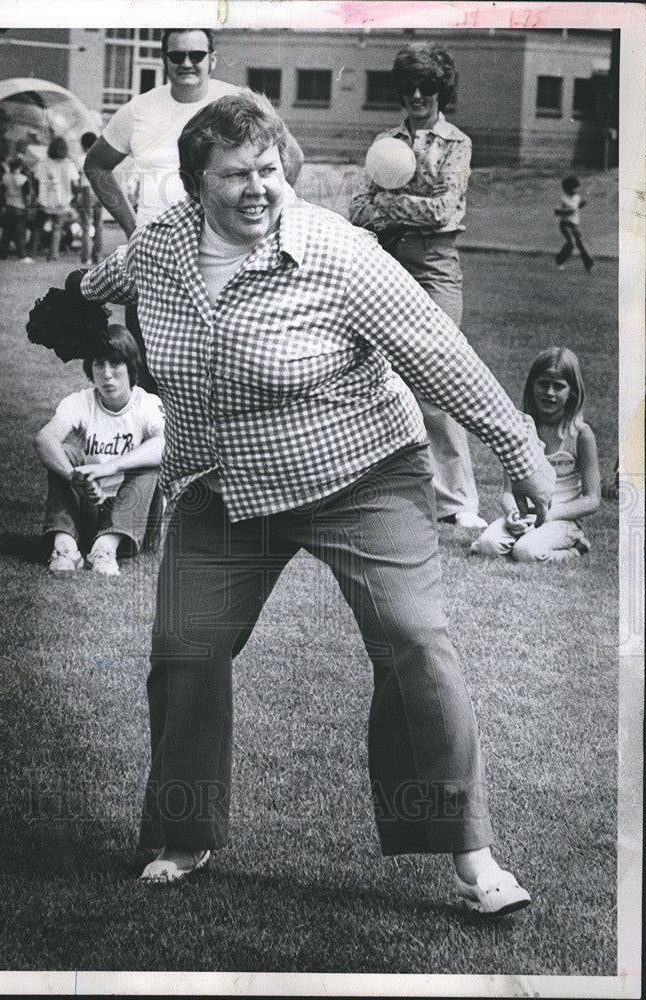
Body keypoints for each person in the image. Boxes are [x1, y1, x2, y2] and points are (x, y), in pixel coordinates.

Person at [73, 92, 555, 912]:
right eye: (236, 176)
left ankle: (469, 852)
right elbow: (104, 277)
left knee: (412, 639)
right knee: (185, 648)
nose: (259, 189)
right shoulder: (160, 249)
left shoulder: (340, 252)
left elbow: (437, 351)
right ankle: (185, 833)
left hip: (359, 471)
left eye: (269, 170)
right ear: (195, 187)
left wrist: (519, 446)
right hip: (224, 482)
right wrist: (79, 288)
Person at [83, 27, 304, 395]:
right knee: (152, 375)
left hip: (225, 259)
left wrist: (258, 218)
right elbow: (97, 166)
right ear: (164, 60)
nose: (187, 63)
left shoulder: (236, 102)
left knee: (231, 374)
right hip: (158, 259)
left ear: (212, 59)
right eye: (177, 55)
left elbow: (291, 158)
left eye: (197, 55)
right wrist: (132, 228)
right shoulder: (139, 109)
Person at [348, 43, 485, 530]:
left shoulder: (458, 144)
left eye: (427, 86)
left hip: (435, 268)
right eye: (408, 87)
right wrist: (404, 203)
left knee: (438, 378)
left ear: (441, 89)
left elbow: (445, 210)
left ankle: (458, 501)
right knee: (379, 377)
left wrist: (393, 200)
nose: (417, 95)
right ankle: (381, 492)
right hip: (387, 263)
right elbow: (359, 211)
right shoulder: (385, 142)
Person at [34, 325, 165, 576]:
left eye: (115, 364)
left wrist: (111, 467)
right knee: (64, 454)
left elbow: (165, 443)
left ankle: (105, 549)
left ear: (130, 367)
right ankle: (65, 547)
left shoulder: (147, 403)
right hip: (92, 508)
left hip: (135, 519)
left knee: (149, 463)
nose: (107, 375)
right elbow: (44, 438)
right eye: (98, 364)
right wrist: (76, 477)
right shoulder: (81, 401)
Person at [471, 348, 599, 562]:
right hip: (524, 515)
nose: (549, 392)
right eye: (543, 383)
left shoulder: (580, 435)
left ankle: (576, 548)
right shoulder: (520, 431)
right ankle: (519, 535)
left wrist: (549, 515)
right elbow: (508, 491)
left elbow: (592, 499)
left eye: (558, 387)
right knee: (486, 546)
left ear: (573, 392)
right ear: (532, 386)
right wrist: (512, 513)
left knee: (525, 552)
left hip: (561, 519)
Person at [32, 136, 80, 262]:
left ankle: (32, 252)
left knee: (38, 227)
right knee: (57, 228)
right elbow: (75, 182)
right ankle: (53, 254)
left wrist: (37, 196)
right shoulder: (69, 164)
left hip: (44, 200)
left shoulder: (43, 163)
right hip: (61, 200)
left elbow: (36, 180)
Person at [555, 175, 594, 272]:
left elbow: (577, 207)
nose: (576, 190)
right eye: (573, 188)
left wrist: (581, 204)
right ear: (566, 189)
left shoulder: (577, 197)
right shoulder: (563, 199)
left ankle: (588, 264)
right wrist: (567, 211)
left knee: (580, 243)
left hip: (574, 224)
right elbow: (557, 211)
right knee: (571, 243)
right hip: (565, 224)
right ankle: (559, 260)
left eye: (576, 188)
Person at [0, 155, 32, 261]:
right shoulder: (24, 179)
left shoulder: (5, 177)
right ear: (20, 167)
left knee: (6, 232)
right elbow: (27, 196)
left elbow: (1, 193)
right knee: (20, 233)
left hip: (8, 207)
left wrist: (1, 206)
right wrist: (28, 207)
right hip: (20, 207)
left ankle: (3, 254)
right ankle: (22, 255)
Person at [77, 132, 104, 267]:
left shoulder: (80, 158)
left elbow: (77, 178)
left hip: (86, 189)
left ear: (83, 144)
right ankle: (97, 256)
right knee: (99, 225)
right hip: (99, 189)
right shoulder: (101, 157)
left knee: (86, 224)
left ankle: (86, 257)